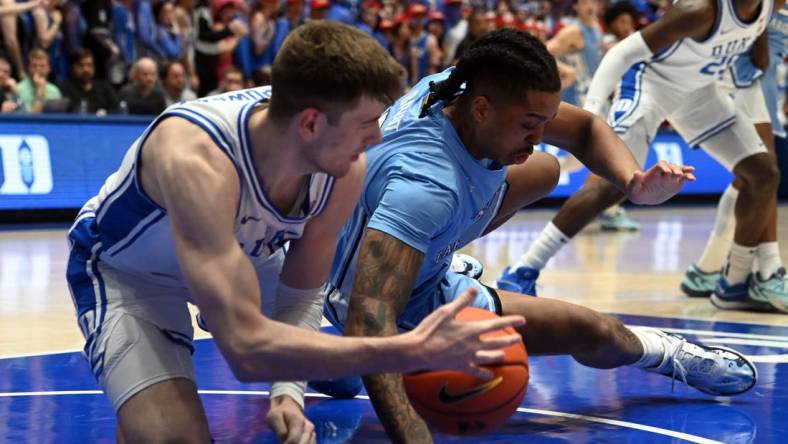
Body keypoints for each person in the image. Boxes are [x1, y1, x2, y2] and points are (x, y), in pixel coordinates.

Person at [65, 22, 525, 444]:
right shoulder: (197, 158)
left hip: (239, 256)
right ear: (311, 123)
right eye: (368, 124)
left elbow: (302, 294)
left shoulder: (344, 166)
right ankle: (159, 380)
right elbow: (246, 355)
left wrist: (286, 394)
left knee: (325, 353)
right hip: (129, 273)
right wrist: (404, 351)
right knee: (175, 435)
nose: (376, 139)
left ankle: (188, 348)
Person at [308, 29, 754, 442]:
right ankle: (349, 354)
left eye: (546, 120)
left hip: (378, 244)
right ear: (482, 109)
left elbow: (583, 129)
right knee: (594, 331)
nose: (540, 134)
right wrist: (414, 434)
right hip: (376, 296)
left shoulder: (457, 87)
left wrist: (633, 182)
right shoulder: (426, 186)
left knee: (543, 168)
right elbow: (371, 316)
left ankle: (351, 349)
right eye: (529, 124)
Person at [500, 0, 783, 301]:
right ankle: (523, 269)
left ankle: (734, 283)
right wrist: (593, 115)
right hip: (649, 85)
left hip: (699, 92)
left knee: (763, 174)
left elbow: (759, 53)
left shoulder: (768, 6)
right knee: (611, 187)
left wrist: (759, 52)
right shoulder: (700, 10)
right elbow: (621, 53)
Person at [681, 3, 788, 312]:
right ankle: (767, 272)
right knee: (763, 172)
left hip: (758, 76)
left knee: (752, 177)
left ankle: (706, 270)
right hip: (739, 74)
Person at [547, 0, 640, 231]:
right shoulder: (573, 30)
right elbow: (543, 52)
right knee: (606, 157)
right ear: (576, 6)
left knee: (583, 162)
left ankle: (607, 209)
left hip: (595, 102)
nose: (592, 4)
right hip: (579, 104)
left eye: (596, 1)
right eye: (586, 1)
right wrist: (564, 70)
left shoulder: (596, 29)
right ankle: (607, 210)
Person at [16, 48, 62, 113]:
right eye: (34, 66)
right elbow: (30, 119)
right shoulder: (19, 89)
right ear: (28, 68)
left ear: (49, 68)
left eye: (42, 66)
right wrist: (40, 90)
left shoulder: (54, 90)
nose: (38, 69)